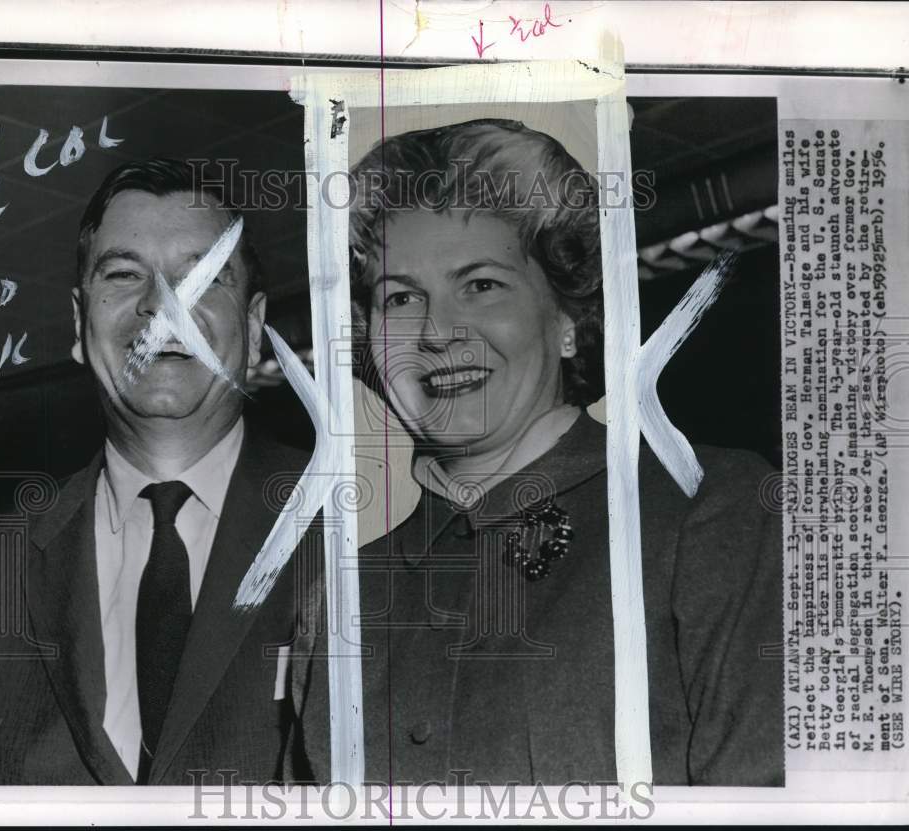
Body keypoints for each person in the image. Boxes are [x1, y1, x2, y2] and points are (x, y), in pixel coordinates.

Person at [290, 119, 784, 786]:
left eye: (481, 285)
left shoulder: (713, 517)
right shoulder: (339, 601)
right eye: (401, 298)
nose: (436, 332)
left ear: (568, 319)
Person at [0, 158, 312, 785]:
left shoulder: (354, 531)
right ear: (81, 326)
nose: (161, 307)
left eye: (203, 278)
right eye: (125, 273)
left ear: (250, 327)